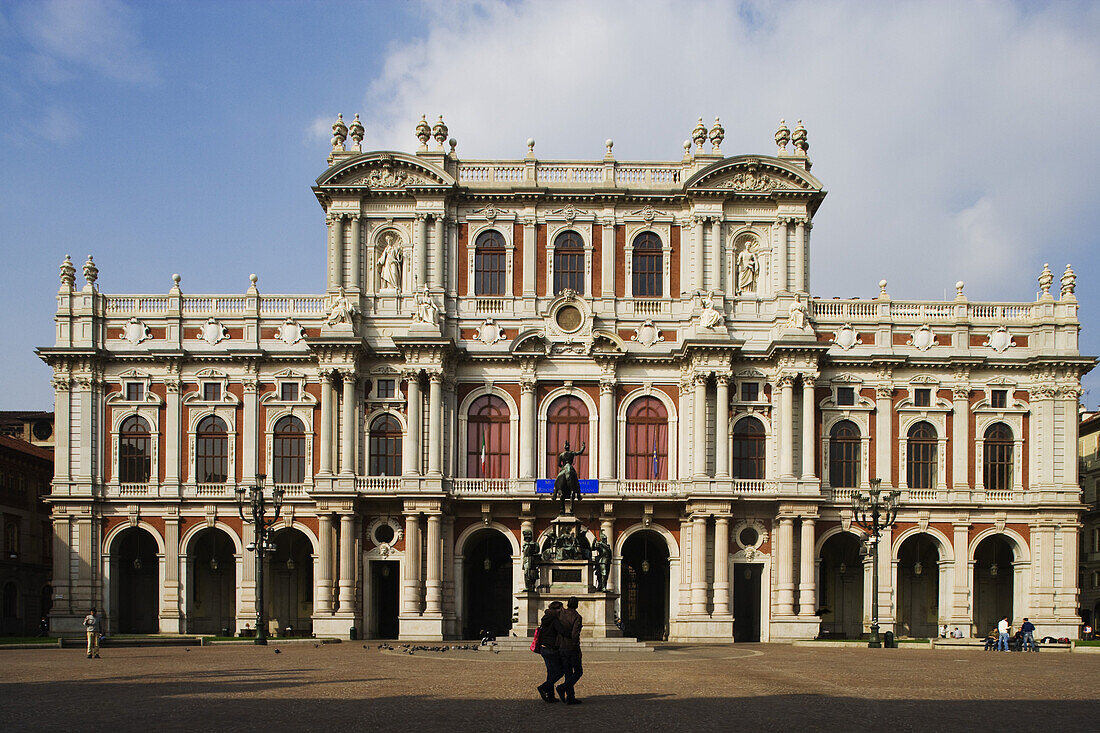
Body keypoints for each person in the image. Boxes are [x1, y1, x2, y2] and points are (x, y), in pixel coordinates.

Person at [554, 596, 583, 705]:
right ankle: (563, 688)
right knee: (578, 671)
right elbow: (575, 635)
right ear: (577, 605)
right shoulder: (577, 617)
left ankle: (570, 697)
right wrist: (578, 649)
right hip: (571, 648)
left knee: (568, 672)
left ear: (567, 604)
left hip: (562, 646)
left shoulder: (561, 614)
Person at [535, 601, 564, 703]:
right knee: (560, 671)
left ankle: (550, 695)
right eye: (561, 608)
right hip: (551, 648)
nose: (562, 610)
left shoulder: (545, 617)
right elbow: (561, 631)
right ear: (558, 609)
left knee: (550, 672)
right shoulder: (554, 619)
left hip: (544, 647)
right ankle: (544, 687)